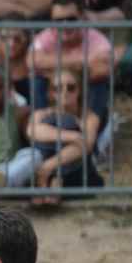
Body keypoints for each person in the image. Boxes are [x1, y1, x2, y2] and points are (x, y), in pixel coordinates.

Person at [27, 68, 103, 201]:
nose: (65, 92)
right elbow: (32, 132)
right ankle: (51, 183)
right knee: (56, 126)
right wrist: (73, 136)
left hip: (76, 174)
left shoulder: (89, 116)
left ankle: (54, 180)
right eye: (58, 88)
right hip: (47, 169)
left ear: (79, 91)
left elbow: (87, 145)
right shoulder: (41, 114)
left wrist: (48, 166)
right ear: (51, 93)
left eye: (71, 88)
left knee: (69, 125)